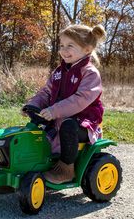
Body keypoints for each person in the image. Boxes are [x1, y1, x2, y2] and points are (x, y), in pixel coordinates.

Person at [22, 24, 106, 184]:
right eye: (61, 46)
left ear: (87, 49)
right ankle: (34, 164)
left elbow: (80, 99)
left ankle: (66, 169)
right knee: (35, 130)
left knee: (68, 126)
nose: (63, 50)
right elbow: (46, 92)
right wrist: (33, 105)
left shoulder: (90, 73)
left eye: (70, 46)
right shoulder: (59, 72)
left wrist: (55, 110)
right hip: (59, 117)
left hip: (83, 122)